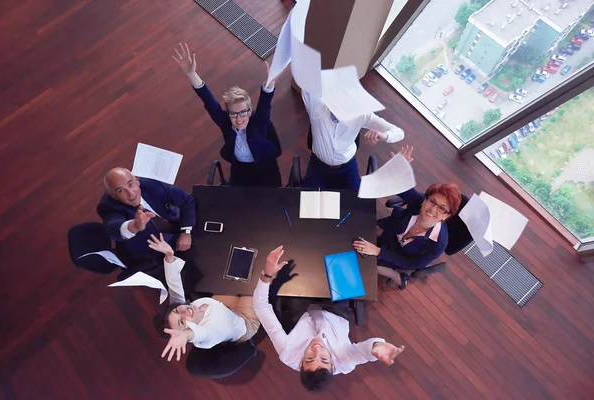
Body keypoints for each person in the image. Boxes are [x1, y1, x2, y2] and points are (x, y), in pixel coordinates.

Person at [253, 246, 405, 393]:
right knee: (341, 254)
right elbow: (365, 352)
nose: (317, 349)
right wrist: (376, 346)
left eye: (310, 358)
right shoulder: (344, 362)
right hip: (335, 312)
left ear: (300, 363)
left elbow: (261, 308)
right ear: (333, 365)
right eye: (324, 359)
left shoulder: (287, 352)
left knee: (299, 261)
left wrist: (266, 274)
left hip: (299, 314)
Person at [173, 43, 282, 187]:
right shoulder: (225, 122)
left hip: (265, 168)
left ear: (249, 111)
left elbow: (264, 104)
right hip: (241, 171)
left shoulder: (258, 121)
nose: (238, 119)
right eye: (233, 114)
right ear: (228, 113)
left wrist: (270, 84)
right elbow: (210, 103)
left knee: (270, 202)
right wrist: (192, 75)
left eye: (243, 113)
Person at [352, 149, 461, 289]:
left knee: (366, 263)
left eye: (441, 208)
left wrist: (378, 251)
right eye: (432, 201)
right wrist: (397, 169)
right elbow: (403, 188)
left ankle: (397, 276)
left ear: (446, 216)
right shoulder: (419, 201)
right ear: (425, 199)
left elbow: (411, 264)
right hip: (391, 230)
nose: (433, 209)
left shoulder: (438, 244)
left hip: (399, 254)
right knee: (358, 231)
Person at [148, 234, 260, 361]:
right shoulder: (207, 337)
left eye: (176, 311)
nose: (184, 312)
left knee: (237, 271)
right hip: (246, 323)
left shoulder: (183, 309)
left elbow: (174, 284)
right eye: (182, 322)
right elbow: (199, 334)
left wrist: (169, 255)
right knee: (257, 283)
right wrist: (185, 335)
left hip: (224, 306)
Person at [301, 88, 405, 190]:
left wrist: (384, 135)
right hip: (318, 166)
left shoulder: (361, 115)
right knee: (306, 200)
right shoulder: (316, 106)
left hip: (347, 167)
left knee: (354, 202)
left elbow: (399, 133)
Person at [96, 167, 195, 267]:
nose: (131, 193)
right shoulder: (108, 206)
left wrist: (186, 232)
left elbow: (186, 199)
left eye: (130, 184)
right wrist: (134, 226)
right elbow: (112, 229)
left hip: (177, 231)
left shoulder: (151, 185)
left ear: (137, 181)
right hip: (149, 256)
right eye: (121, 191)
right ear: (113, 196)